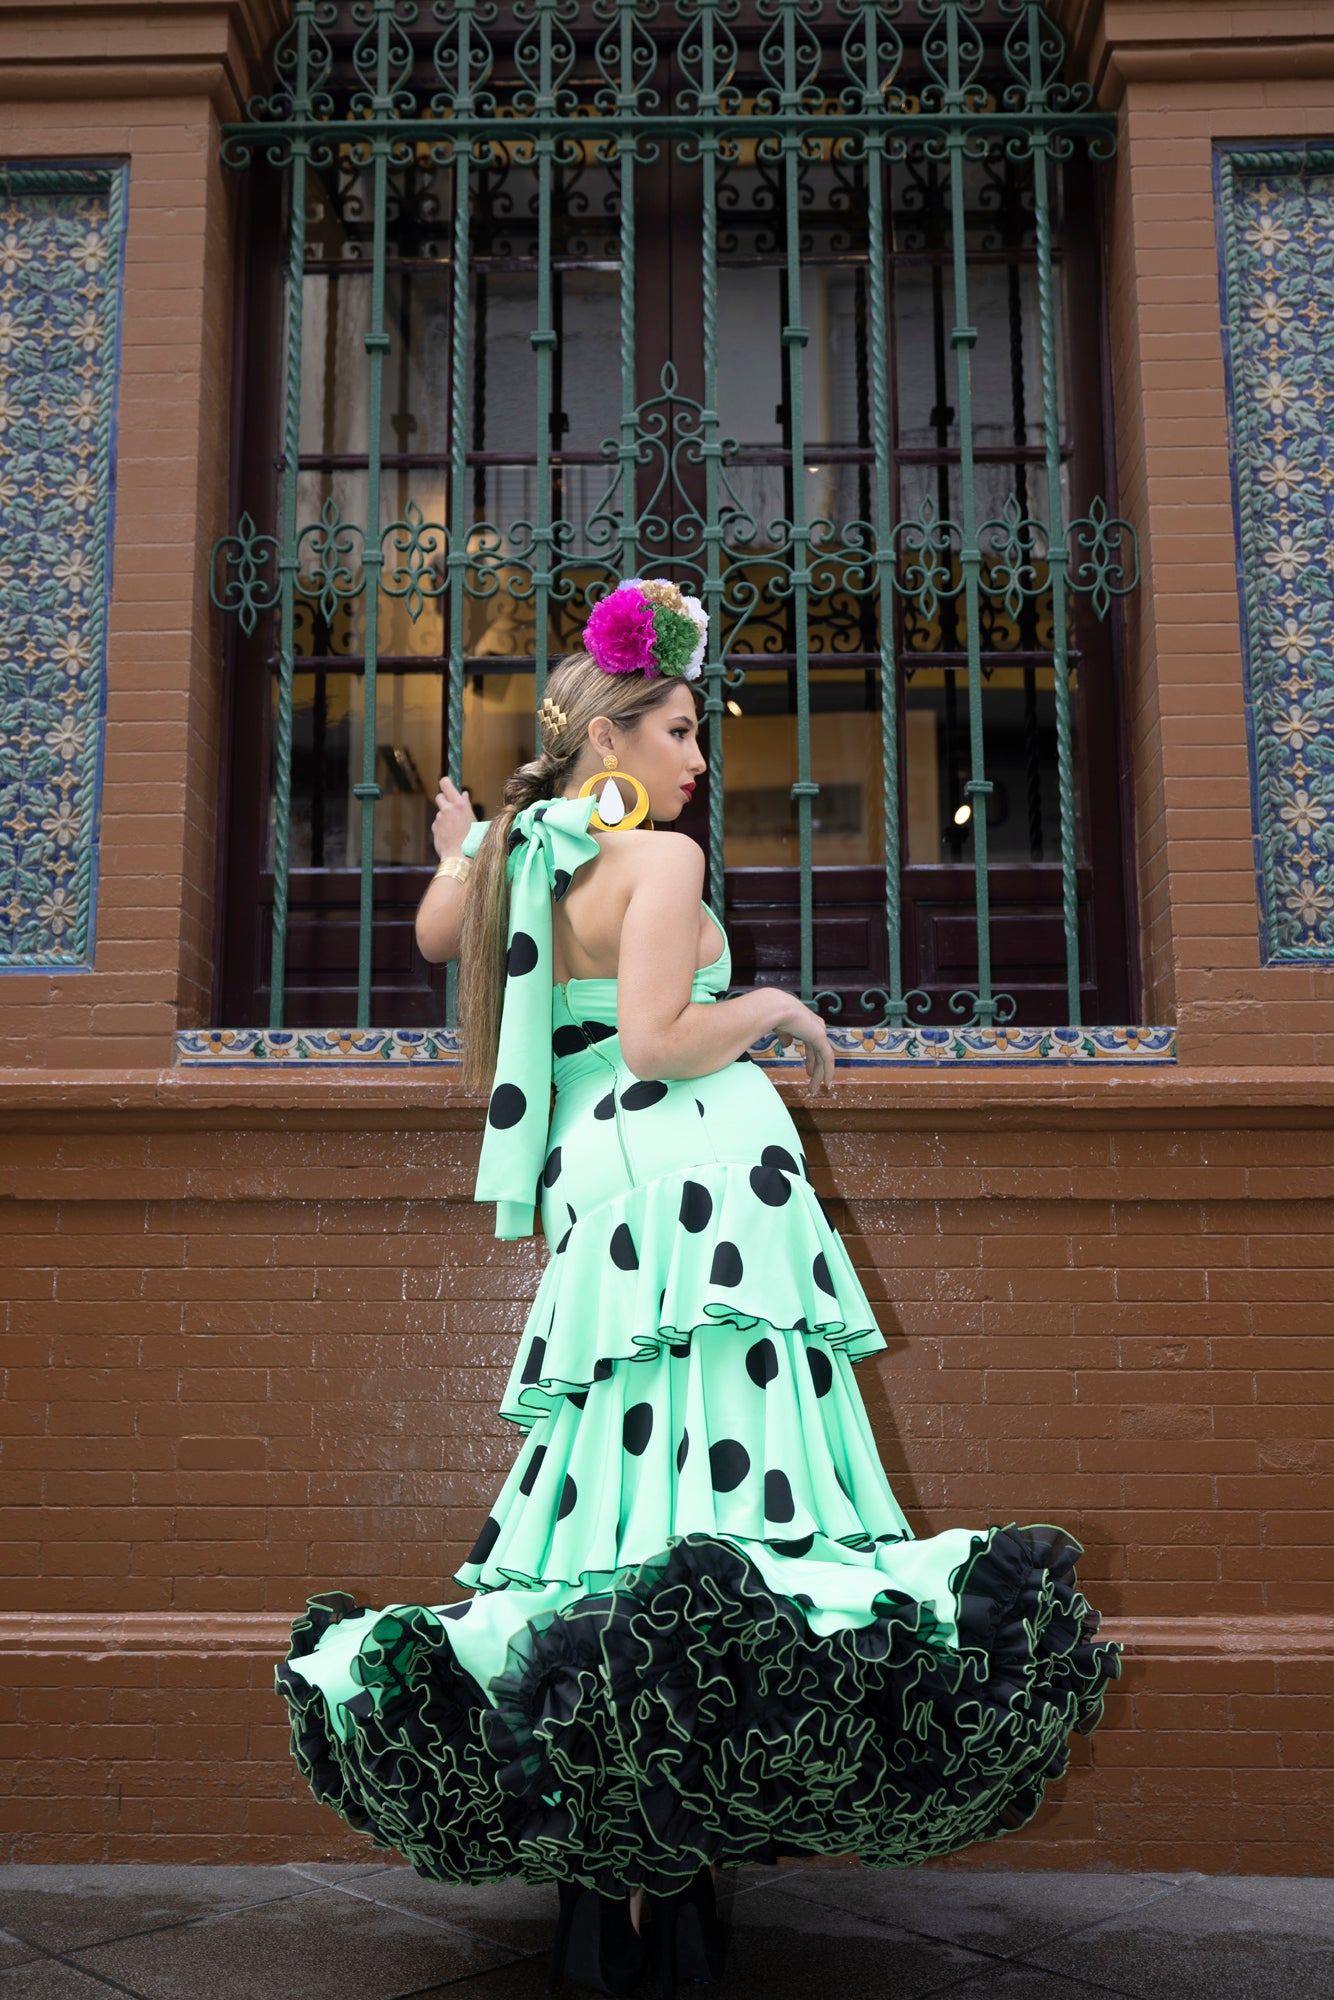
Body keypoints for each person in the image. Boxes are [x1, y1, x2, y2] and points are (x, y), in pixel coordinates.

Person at [276, 577, 1120, 1999]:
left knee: (612, 1500)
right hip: (700, 1181)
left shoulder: (525, 851)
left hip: (598, 1181)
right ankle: (683, 1881)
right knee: (727, 1508)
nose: (696, 756)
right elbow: (665, 1038)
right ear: (614, 737)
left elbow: (433, 936)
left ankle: (610, 1888)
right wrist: (778, 1008)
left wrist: (464, 843)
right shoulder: (655, 860)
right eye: (675, 729)